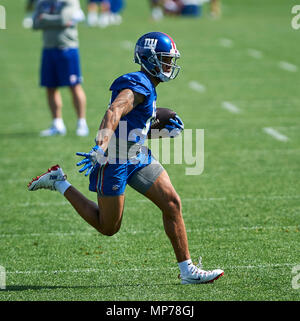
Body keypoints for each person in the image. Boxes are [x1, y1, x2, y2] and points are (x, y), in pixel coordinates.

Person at [28, 32, 224, 284]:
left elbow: (132, 130)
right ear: (149, 59)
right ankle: (58, 181)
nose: (169, 65)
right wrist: (100, 146)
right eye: (165, 60)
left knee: (172, 203)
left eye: (170, 60)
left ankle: (187, 271)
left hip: (136, 155)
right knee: (108, 227)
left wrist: (159, 131)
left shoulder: (149, 85)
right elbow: (115, 110)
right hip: (114, 160)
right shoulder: (138, 84)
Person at [33, 0, 89, 137]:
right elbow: (35, 23)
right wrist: (55, 20)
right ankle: (57, 124)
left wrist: (45, 18)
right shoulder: (42, 2)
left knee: (74, 86)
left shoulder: (69, 1)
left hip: (67, 48)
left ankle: (82, 122)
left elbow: (64, 19)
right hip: (48, 49)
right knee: (50, 87)